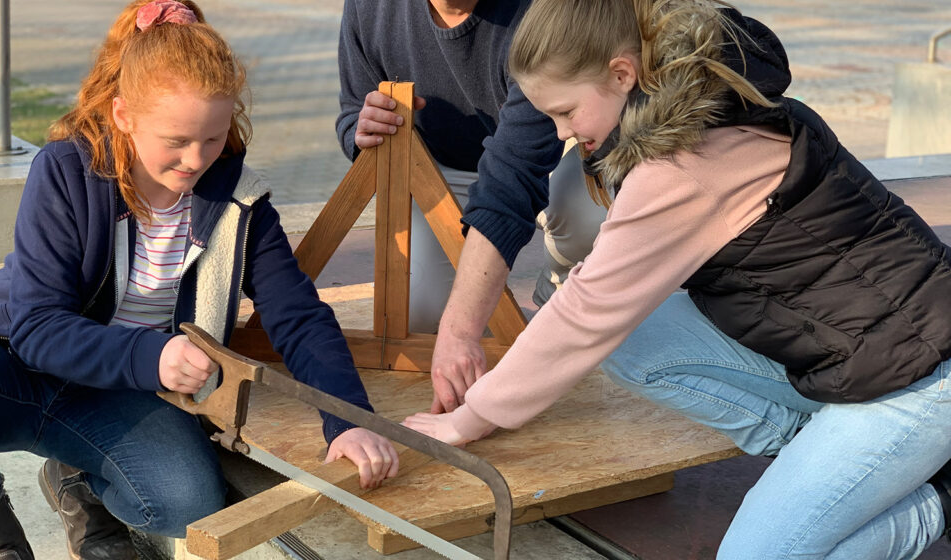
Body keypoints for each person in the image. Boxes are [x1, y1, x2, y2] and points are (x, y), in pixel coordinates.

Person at [403, 0, 951, 557]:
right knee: (634, 337)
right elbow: (599, 305)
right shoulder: (704, 102)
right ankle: (810, 452)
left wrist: (470, 420)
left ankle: (934, 501)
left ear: (622, 74)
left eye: (566, 112)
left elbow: (587, 311)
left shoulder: (683, 162)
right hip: (853, 347)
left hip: (919, 377)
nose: (563, 133)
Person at [0, 2, 398, 559]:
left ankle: (76, 482)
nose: (195, 159)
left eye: (213, 138)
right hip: (15, 364)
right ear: (123, 115)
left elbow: (298, 316)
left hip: (121, 392)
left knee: (186, 503)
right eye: (175, 140)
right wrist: (153, 356)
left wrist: (346, 421)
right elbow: (36, 328)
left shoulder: (240, 201)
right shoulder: (65, 170)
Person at [336, 0, 609, 415]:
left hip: (552, 152)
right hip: (436, 172)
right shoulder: (368, 7)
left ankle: (560, 293)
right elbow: (351, 111)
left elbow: (514, 177)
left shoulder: (542, 11)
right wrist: (361, 131)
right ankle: (504, 320)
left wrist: (460, 331)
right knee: (419, 320)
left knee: (590, 213)